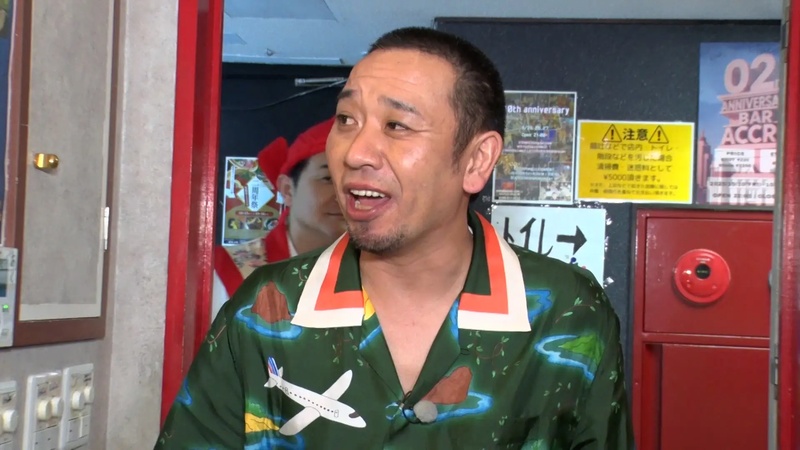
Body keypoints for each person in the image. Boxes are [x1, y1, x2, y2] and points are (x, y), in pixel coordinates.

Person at [157, 27, 633, 449]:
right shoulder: (262, 307)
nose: (355, 152)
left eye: (397, 126)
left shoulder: (568, 310)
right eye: (346, 120)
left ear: (476, 160)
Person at [211, 117, 346, 318]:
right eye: (328, 179)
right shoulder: (228, 274)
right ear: (288, 189)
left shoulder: (382, 274)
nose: (346, 194)